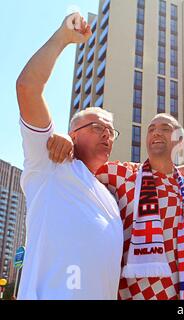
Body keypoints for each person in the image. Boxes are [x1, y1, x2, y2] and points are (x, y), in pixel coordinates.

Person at [15, 13, 123, 299]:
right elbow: (28, 88)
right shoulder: (50, 161)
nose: (107, 135)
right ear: (72, 134)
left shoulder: (111, 195)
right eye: (98, 127)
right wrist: (63, 38)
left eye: (112, 132)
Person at [95, 114, 184, 300]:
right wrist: (67, 141)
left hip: (183, 292)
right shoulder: (121, 174)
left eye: (165, 128)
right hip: (132, 293)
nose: (156, 132)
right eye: (151, 129)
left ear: (179, 141)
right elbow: (80, 168)